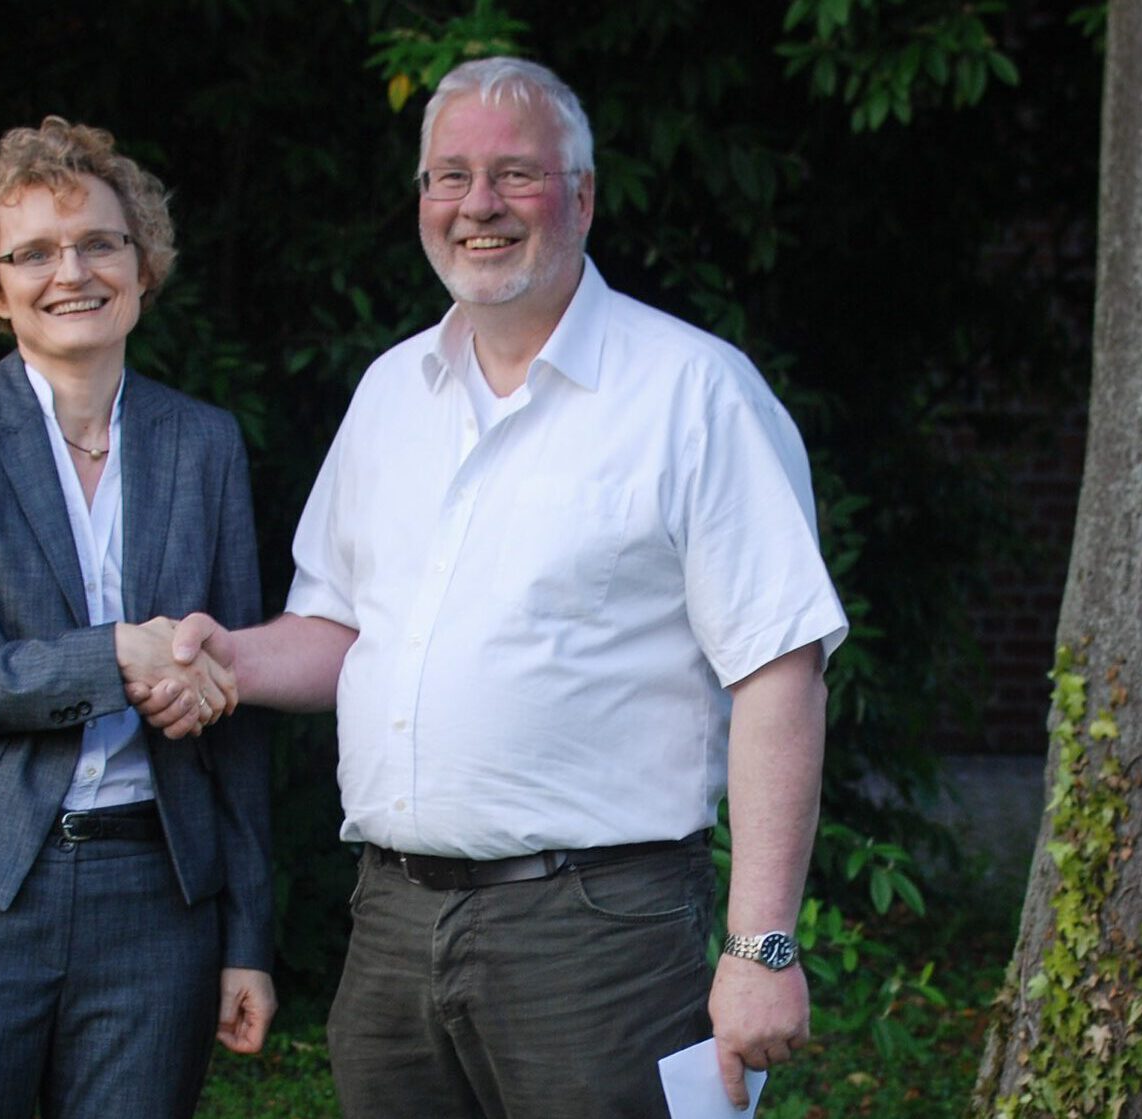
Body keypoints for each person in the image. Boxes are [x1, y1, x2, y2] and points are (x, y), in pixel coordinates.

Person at [132, 58, 847, 1118]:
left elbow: (779, 669)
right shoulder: (390, 392)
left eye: (515, 174)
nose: (478, 205)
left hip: (597, 931)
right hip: (390, 924)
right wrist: (227, 658)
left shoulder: (691, 391)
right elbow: (337, 625)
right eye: (448, 176)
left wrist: (760, 946)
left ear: (582, 196)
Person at [0, 116, 274, 1119]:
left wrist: (247, 940)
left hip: (156, 900)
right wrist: (112, 659)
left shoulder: (202, 444)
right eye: (33, 252)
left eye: (97, 241)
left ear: (141, 263)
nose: (70, 271)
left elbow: (241, 708)